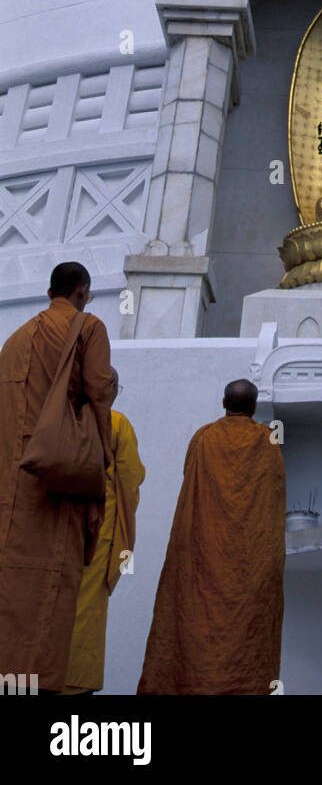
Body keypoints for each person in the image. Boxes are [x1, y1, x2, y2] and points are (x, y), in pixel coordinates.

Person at [0, 262, 113, 693]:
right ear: (82, 292)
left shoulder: (15, 339)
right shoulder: (87, 329)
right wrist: (100, 473)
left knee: (10, 593)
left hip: (12, 488)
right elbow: (99, 393)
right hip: (56, 486)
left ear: (51, 292)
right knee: (48, 593)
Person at [137, 378, 286, 695]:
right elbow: (273, 499)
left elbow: (190, 480)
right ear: (255, 407)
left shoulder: (204, 438)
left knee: (192, 632)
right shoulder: (268, 441)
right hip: (249, 567)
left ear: (223, 403)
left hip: (202, 560)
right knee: (246, 644)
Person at [62, 368, 145, 694]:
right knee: (84, 613)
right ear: (107, 388)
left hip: (55, 527)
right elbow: (131, 478)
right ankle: (74, 683)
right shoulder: (117, 424)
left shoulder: (61, 419)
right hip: (96, 536)